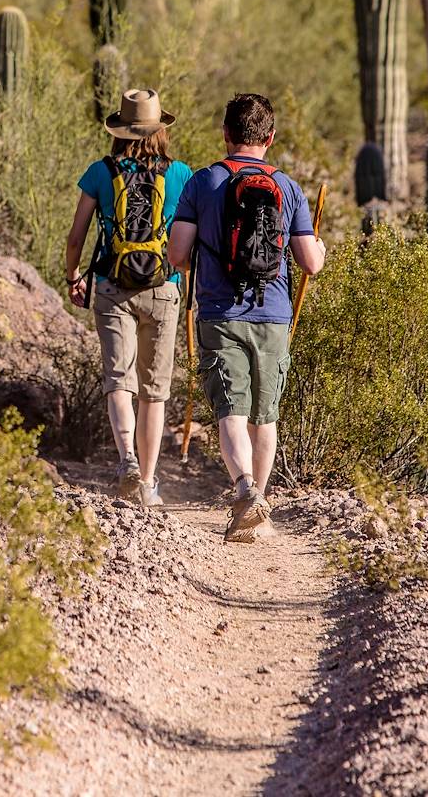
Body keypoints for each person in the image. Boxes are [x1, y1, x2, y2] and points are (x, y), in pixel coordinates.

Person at [169, 93, 325, 542]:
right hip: (274, 315)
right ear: (270, 137)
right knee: (265, 415)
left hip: (219, 313)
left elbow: (178, 256)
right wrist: (321, 251)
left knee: (230, 412)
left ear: (226, 134)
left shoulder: (202, 183)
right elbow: (310, 263)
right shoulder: (288, 187)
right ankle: (257, 506)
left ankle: (244, 492)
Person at [64, 89, 194, 509]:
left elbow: (76, 235)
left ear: (119, 130)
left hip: (111, 285)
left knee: (119, 379)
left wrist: (73, 276)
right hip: (163, 286)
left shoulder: (100, 173)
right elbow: (191, 237)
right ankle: (150, 484)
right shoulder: (180, 175)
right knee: (154, 390)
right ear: (160, 130)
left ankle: (127, 462)